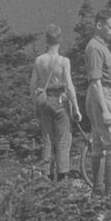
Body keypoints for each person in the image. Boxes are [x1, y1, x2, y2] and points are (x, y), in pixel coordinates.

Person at [30, 23, 82, 181]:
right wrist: (76, 109)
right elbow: (70, 86)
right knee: (63, 139)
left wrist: (36, 103)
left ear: (47, 41)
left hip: (44, 101)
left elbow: (32, 85)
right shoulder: (63, 61)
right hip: (60, 101)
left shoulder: (39, 60)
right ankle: (62, 175)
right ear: (60, 41)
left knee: (47, 139)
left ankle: (44, 175)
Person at [84, 9, 111, 198]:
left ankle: (98, 193)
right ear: (99, 26)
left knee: (98, 144)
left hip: (102, 96)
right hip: (103, 96)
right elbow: (96, 81)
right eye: (110, 27)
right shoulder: (96, 48)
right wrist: (106, 110)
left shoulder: (98, 46)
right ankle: (110, 195)